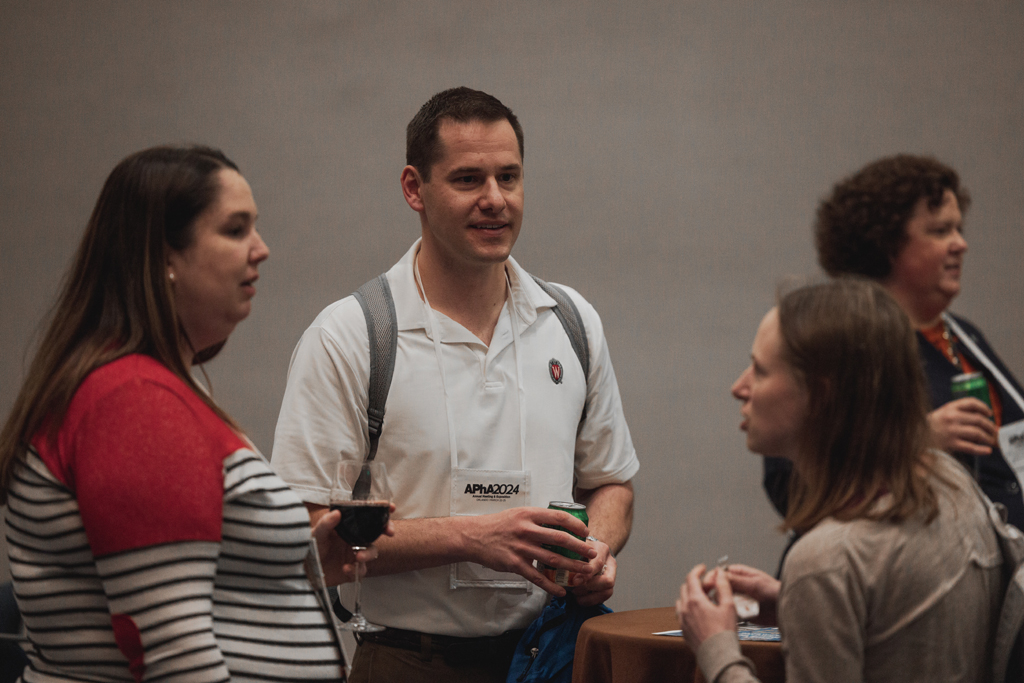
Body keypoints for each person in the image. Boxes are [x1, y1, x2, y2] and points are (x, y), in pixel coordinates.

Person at [272, 87, 639, 682]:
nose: (495, 200)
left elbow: (612, 482)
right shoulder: (352, 335)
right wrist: (470, 537)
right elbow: (302, 544)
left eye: (510, 178)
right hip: (410, 658)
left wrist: (597, 546)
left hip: (552, 652)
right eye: (469, 180)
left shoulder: (571, 322)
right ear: (414, 188)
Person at [0, 145, 373, 682]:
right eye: (235, 229)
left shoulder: (134, 389)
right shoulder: (133, 405)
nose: (261, 249)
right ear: (164, 256)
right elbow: (173, 652)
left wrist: (279, 561)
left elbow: (176, 581)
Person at [677, 279, 1003, 683]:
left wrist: (717, 649)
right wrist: (796, 603)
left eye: (760, 370)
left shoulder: (826, 561)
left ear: (821, 396)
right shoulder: (952, 485)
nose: (738, 388)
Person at [764, 154, 1024, 531]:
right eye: (940, 231)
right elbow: (790, 484)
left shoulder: (963, 334)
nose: (961, 244)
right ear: (886, 244)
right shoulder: (840, 346)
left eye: (958, 229)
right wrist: (915, 440)